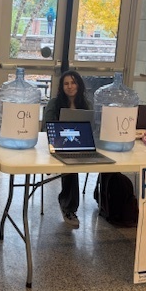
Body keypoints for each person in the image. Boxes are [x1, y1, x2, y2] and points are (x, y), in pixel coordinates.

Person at [42, 70, 90, 227]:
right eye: (66, 83)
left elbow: (93, 128)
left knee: (110, 166)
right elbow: (47, 129)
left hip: (81, 144)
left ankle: (107, 203)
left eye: (73, 82)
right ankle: (68, 207)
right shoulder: (54, 103)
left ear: (79, 85)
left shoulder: (86, 104)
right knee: (71, 165)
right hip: (59, 145)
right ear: (61, 87)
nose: (70, 86)